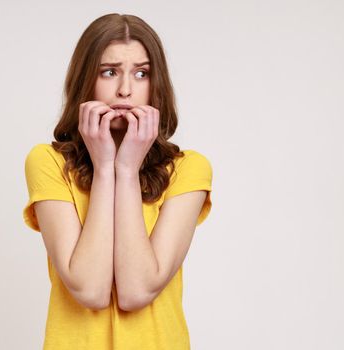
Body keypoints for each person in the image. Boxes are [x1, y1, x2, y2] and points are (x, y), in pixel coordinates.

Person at [23, 13, 213, 350]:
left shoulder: (188, 170)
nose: (125, 89)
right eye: (109, 72)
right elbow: (90, 290)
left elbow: (136, 290)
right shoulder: (48, 163)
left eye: (142, 74)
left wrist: (125, 170)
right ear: (86, 80)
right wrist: (105, 166)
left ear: (157, 85)